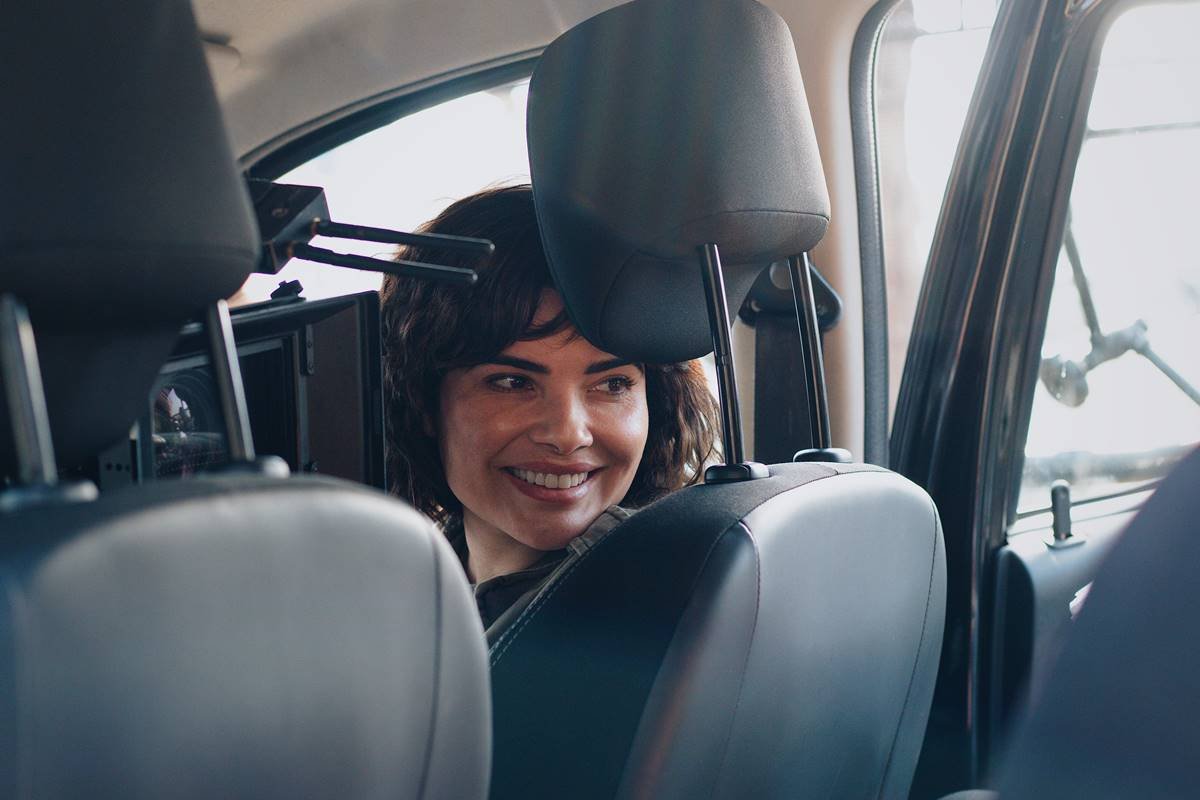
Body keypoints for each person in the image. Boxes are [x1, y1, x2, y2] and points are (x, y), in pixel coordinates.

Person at [381, 185, 718, 636]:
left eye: (612, 384)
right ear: (422, 400)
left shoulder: (677, 608)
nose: (568, 433)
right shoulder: (390, 597)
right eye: (513, 382)